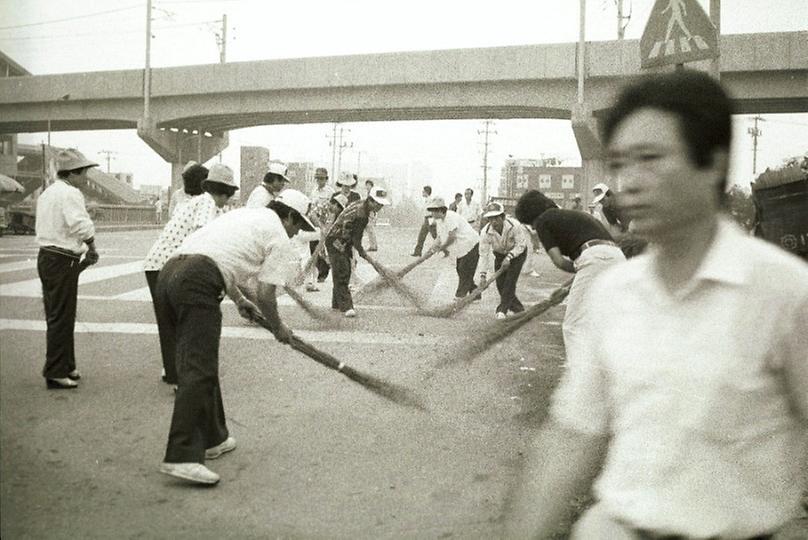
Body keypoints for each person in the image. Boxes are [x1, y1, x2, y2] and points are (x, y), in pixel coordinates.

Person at [506, 70, 808, 539]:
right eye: (620, 164)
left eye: (651, 159)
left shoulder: (784, 294)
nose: (629, 183)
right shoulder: (616, 294)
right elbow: (571, 435)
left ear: (712, 162)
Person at [156, 189, 315, 485]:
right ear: (290, 216)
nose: (296, 233)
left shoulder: (245, 214)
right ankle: (181, 456)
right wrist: (279, 327)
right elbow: (267, 295)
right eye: (298, 226)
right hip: (198, 280)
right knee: (198, 368)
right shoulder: (279, 236)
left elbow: (218, 257)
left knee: (199, 361)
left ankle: (214, 437)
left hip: (170, 273)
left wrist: (239, 299)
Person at [143, 163, 237, 389]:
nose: (229, 200)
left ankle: (173, 372)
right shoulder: (207, 202)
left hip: (158, 264)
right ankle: (179, 375)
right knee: (183, 322)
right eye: (229, 194)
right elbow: (200, 238)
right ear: (223, 190)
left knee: (170, 322)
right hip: (170, 264)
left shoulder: (198, 202)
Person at [515, 189, 624, 365]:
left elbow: (559, 261)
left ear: (532, 215)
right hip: (617, 257)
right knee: (602, 319)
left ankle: (580, 379)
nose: (534, 227)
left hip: (594, 257)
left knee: (573, 325)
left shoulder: (543, 220)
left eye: (531, 223)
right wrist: (580, 273)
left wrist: (579, 270)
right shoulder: (575, 214)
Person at [34, 148, 100, 389]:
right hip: (62, 259)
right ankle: (55, 370)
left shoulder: (48, 193)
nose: (86, 178)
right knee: (62, 316)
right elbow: (80, 225)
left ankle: (67, 364)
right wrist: (91, 246)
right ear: (72, 173)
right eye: (84, 173)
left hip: (47, 256)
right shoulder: (71, 194)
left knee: (59, 313)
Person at [324, 186, 390, 317]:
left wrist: (359, 251)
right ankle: (346, 306)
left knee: (343, 269)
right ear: (370, 200)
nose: (380, 207)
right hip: (336, 240)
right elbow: (356, 238)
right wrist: (363, 253)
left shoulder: (362, 206)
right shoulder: (362, 214)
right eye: (378, 203)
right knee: (342, 271)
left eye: (382, 204)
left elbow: (353, 237)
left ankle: (337, 303)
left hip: (342, 240)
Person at [477, 201, 530, 319]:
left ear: (503, 217)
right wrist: (482, 275)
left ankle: (502, 310)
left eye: (496, 218)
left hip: (517, 254)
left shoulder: (514, 225)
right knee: (500, 285)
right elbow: (484, 254)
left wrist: (510, 257)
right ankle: (519, 309)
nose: (493, 222)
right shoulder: (485, 232)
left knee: (510, 282)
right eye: (490, 219)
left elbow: (521, 245)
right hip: (500, 255)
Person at [425, 196, 480, 301]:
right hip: (462, 248)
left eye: (433, 211)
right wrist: (431, 249)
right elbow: (439, 237)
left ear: (440, 210)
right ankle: (475, 293)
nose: (432, 214)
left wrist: (442, 248)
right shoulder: (439, 221)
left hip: (471, 245)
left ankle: (460, 297)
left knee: (464, 270)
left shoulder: (450, 217)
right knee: (461, 270)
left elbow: (452, 236)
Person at [305, 167, 334, 291]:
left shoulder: (330, 192)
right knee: (313, 248)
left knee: (324, 248)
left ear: (326, 179)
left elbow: (333, 209)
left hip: (326, 223)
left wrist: (327, 225)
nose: (319, 181)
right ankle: (319, 271)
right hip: (314, 223)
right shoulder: (314, 192)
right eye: (318, 178)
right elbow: (311, 207)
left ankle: (324, 271)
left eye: (322, 178)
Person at [411, 185, 438, 256]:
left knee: (435, 236)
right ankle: (417, 252)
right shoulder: (426, 200)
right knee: (421, 236)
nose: (422, 193)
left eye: (423, 191)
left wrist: (433, 220)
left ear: (426, 192)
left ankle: (447, 249)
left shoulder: (431, 200)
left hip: (430, 219)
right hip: (426, 219)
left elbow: (434, 210)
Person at [363, 179, 379, 252]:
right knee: (370, 230)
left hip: (371, 212)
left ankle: (373, 246)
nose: (367, 186)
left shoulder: (373, 194)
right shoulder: (369, 193)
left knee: (370, 229)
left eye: (368, 185)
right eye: (366, 185)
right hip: (369, 212)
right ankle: (373, 245)